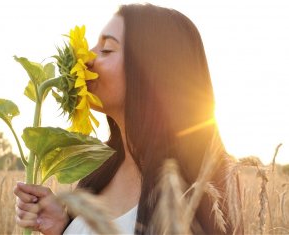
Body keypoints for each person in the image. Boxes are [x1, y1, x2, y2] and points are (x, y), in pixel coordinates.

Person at [14, 3, 243, 235]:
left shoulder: (188, 194)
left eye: (107, 50)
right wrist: (63, 227)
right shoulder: (100, 169)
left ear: (150, 70)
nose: (86, 60)